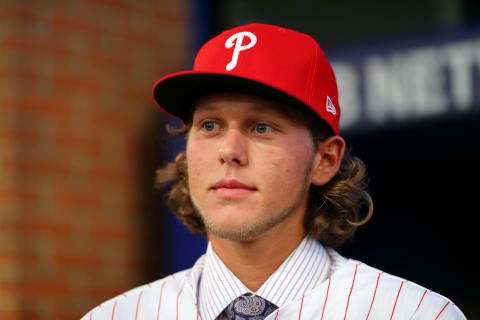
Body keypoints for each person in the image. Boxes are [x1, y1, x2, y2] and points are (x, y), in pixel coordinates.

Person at [81, 23, 466, 320]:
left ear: (325, 159)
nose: (229, 151)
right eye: (210, 126)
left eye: (261, 127)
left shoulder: (413, 313)